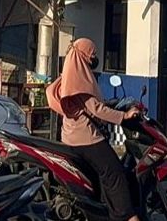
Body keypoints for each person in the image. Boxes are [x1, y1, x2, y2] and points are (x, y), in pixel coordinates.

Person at [47, 39, 142, 221]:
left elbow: (93, 105)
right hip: (86, 138)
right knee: (114, 173)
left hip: (71, 136)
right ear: (83, 55)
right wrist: (124, 117)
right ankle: (127, 216)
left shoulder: (71, 74)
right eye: (92, 53)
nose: (94, 57)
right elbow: (96, 109)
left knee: (102, 173)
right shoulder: (79, 80)